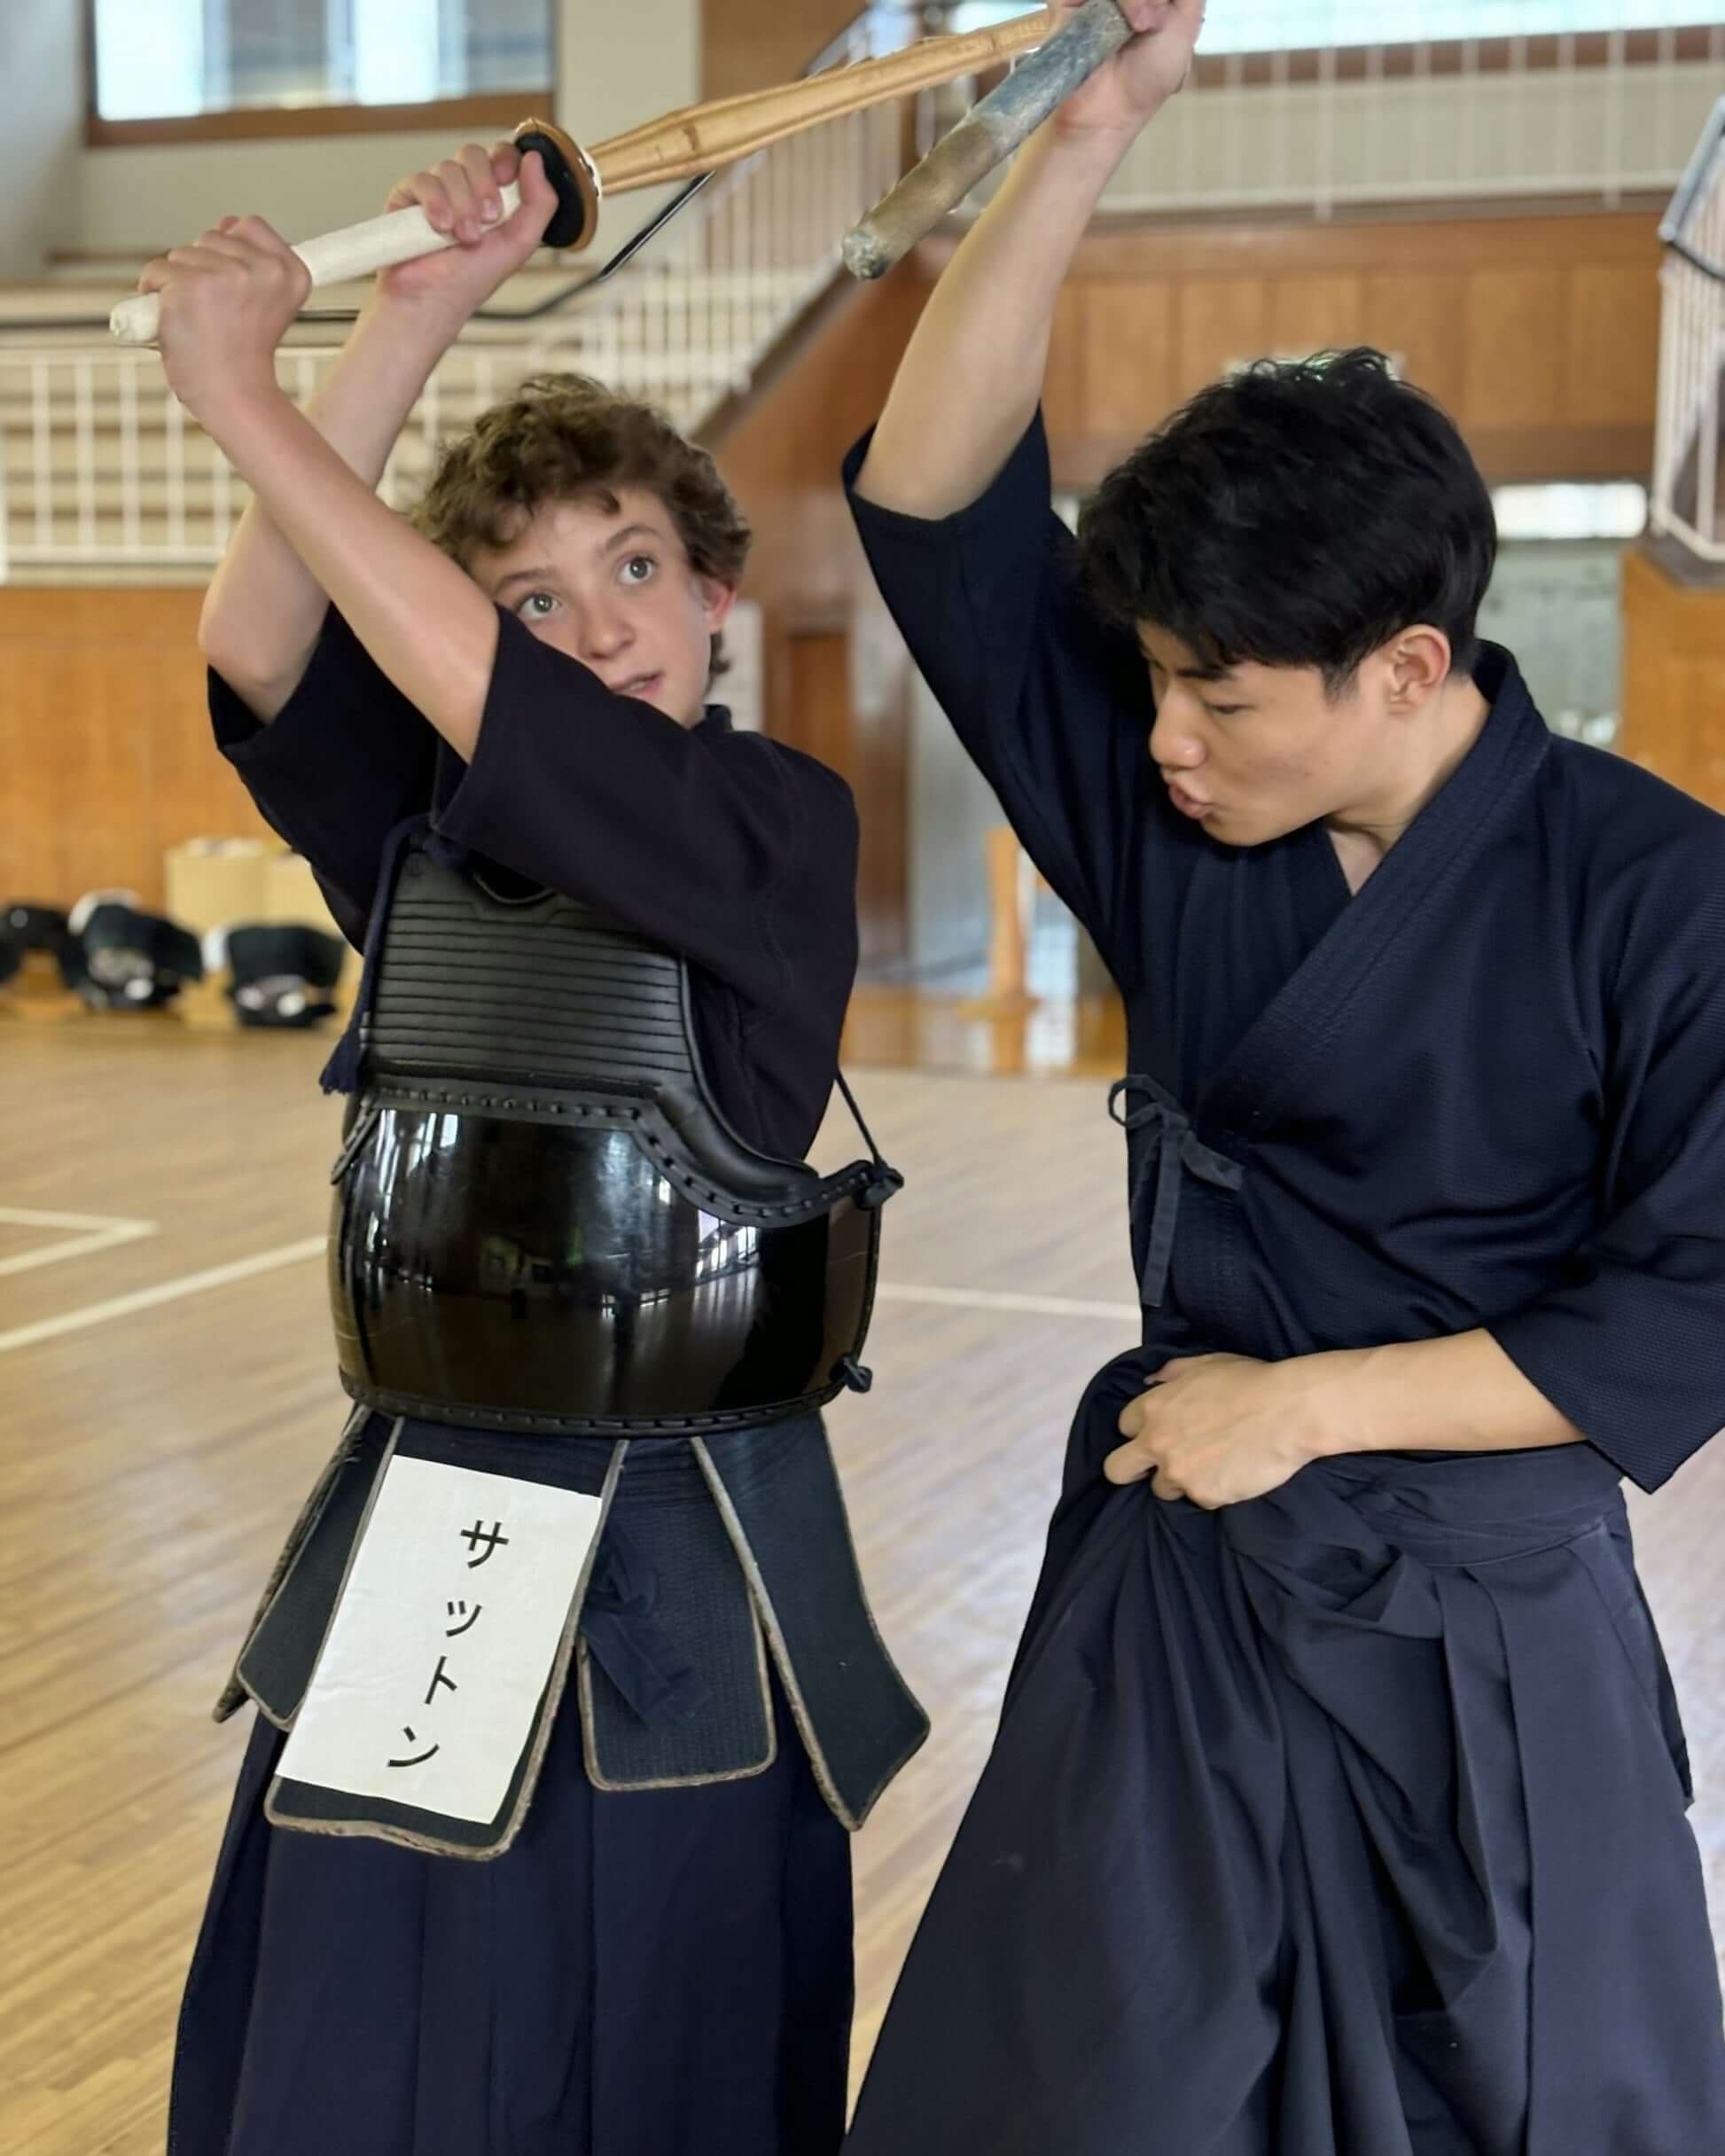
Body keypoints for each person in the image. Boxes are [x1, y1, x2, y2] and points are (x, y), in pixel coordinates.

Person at [841, 3, 1725, 2149]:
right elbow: (931, 502)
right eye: (1149, 683)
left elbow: (1682, 1308)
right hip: (1190, 1596)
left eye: (1214, 698)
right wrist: (1086, 131)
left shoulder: (1653, 887)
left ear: (1405, 668)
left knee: (1509, 2098)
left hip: (1482, 1623)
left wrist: (1309, 1403)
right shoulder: (1185, 819)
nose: (1159, 742)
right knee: (1087, 2091)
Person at [146, 138, 926, 2156]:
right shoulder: (445, 839)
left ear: (719, 597)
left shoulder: (772, 831)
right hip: (425, 1515)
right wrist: (414, 313)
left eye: (635, 572)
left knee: (646, 2053)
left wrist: (240, 391)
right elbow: (265, 647)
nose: (598, 631)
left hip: (678, 1547)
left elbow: (506, 713)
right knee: (367, 2039)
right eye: (531, 599)